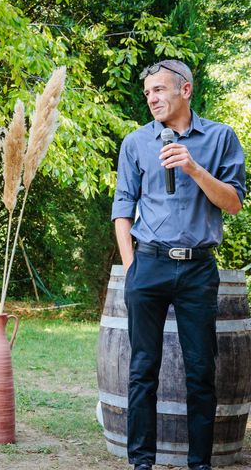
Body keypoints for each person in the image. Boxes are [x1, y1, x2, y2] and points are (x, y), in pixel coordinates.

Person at [112, 59, 246, 470]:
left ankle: (199, 463)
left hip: (197, 271)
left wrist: (192, 167)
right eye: (148, 92)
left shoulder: (221, 138)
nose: (152, 98)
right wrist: (132, 267)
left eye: (160, 90)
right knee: (142, 370)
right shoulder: (136, 143)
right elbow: (123, 210)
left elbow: (234, 203)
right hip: (148, 265)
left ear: (185, 90)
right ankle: (141, 462)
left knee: (201, 371)